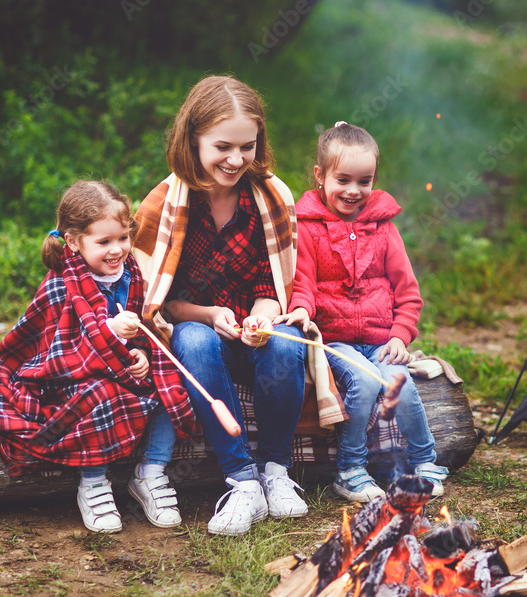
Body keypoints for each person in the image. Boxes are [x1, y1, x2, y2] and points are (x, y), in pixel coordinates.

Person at [0, 181, 199, 534]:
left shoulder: (133, 274)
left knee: (170, 384)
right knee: (97, 395)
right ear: (74, 242)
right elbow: (57, 350)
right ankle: (92, 481)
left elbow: (146, 328)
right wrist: (109, 333)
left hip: (123, 369)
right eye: (103, 242)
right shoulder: (62, 283)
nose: (116, 250)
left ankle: (151, 471)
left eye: (122, 238)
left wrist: (140, 352)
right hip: (71, 377)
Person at [133, 75, 319, 536]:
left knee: (286, 342)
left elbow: (273, 279)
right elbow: (158, 302)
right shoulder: (165, 204)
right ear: (192, 139)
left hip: (251, 335)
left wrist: (261, 315)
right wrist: (210, 316)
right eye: (222, 147)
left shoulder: (270, 197)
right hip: (198, 338)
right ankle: (242, 482)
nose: (236, 160)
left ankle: (276, 471)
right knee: (194, 340)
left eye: (248, 146)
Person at [277, 122, 447, 502]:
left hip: (379, 338)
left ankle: (425, 459)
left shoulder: (384, 229)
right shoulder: (307, 229)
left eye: (364, 181)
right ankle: (350, 469)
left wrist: (401, 336)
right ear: (320, 176)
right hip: (335, 340)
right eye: (343, 179)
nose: (354, 191)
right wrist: (302, 310)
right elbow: (301, 283)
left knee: (398, 384)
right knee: (367, 382)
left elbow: (408, 291)